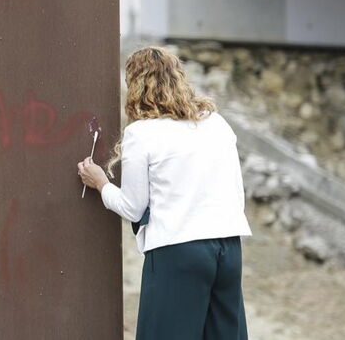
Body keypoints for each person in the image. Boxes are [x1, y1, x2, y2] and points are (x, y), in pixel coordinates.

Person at [78, 46, 251, 340]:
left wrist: (101, 183)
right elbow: (237, 193)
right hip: (229, 249)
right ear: (179, 78)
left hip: (178, 250)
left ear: (136, 87)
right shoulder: (217, 123)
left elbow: (133, 208)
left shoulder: (142, 134)